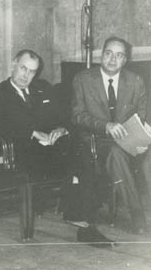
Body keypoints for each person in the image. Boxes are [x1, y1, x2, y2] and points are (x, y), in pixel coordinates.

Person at [71, 36, 148, 241]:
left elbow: (143, 114)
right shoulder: (83, 79)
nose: (113, 59)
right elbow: (77, 115)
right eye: (108, 53)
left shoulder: (135, 81)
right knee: (116, 154)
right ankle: (137, 214)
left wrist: (141, 139)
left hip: (129, 139)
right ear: (101, 55)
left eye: (119, 55)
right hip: (97, 141)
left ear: (125, 60)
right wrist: (106, 125)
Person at [0, 49, 70, 180]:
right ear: (13, 66)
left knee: (77, 149)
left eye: (32, 72)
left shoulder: (43, 88)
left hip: (49, 147)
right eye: (23, 68)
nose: (26, 75)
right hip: (19, 151)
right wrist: (33, 132)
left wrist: (61, 128)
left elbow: (61, 115)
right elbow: (0, 126)